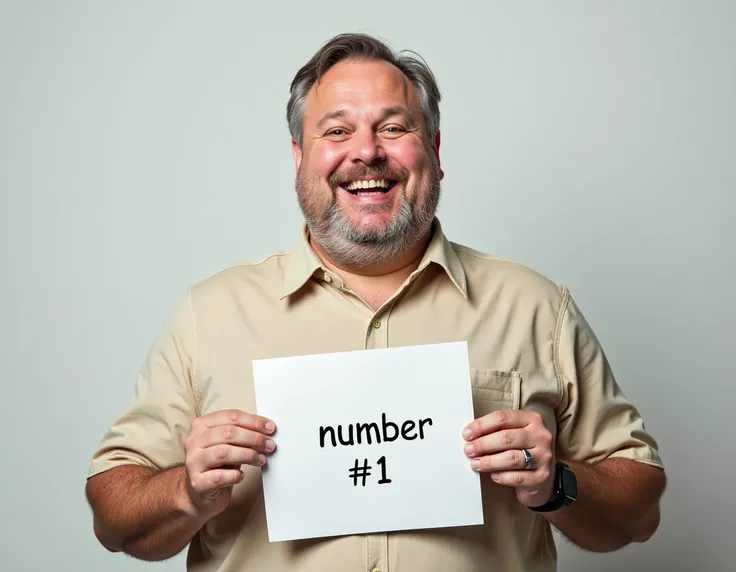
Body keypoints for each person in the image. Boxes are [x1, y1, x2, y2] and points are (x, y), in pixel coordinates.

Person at [85, 32, 667, 571]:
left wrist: (557, 482)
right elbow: (113, 517)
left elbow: (639, 512)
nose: (366, 152)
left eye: (393, 128)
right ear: (299, 157)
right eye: (336, 131)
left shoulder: (537, 306)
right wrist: (186, 492)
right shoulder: (209, 314)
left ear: (434, 149)